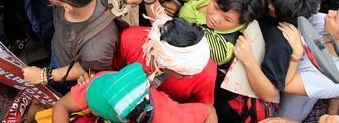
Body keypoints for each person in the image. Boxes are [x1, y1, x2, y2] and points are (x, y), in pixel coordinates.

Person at [228, 0, 321, 112]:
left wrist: (248, 60)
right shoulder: (273, 6)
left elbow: (270, 93)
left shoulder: (280, 42)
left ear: (271, 6)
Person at [135, 0, 266, 66]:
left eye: (227, 19)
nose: (215, 17)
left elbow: (164, 31)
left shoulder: (220, 47)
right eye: (216, 6)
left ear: (241, 23)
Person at [52, 62, 217, 123]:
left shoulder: (170, 116)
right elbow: (209, 111)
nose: (88, 107)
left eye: (92, 106)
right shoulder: (109, 82)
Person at [113, 15, 217, 105]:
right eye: (183, 74)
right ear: (164, 63)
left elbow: (204, 109)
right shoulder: (129, 41)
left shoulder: (207, 72)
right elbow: (112, 75)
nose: (191, 76)